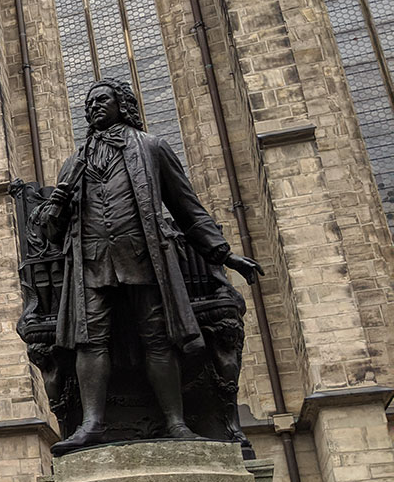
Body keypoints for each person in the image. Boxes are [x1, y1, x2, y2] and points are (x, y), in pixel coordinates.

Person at [35, 80, 262, 453]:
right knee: (89, 341)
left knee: (158, 339)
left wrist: (223, 254)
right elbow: (51, 233)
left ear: (122, 105)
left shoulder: (152, 147)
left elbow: (187, 207)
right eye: (88, 103)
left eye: (101, 100)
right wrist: (58, 201)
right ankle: (92, 424)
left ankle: (175, 422)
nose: (92, 107)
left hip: (143, 258)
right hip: (92, 264)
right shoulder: (74, 162)